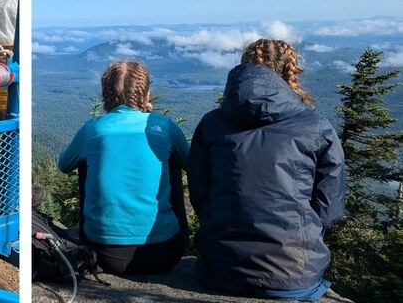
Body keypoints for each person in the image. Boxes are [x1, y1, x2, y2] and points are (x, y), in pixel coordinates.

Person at [188, 39, 346, 301]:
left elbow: (200, 193)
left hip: (220, 270)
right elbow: (329, 207)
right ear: (289, 72)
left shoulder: (211, 124)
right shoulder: (316, 127)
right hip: (292, 275)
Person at [57, 60, 189, 276]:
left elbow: (64, 165)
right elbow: (193, 164)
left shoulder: (93, 128)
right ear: (146, 94)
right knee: (171, 158)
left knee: (86, 160)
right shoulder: (165, 126)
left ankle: (103, 228)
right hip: (166, 252)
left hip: (103, 253)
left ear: (106, 94)